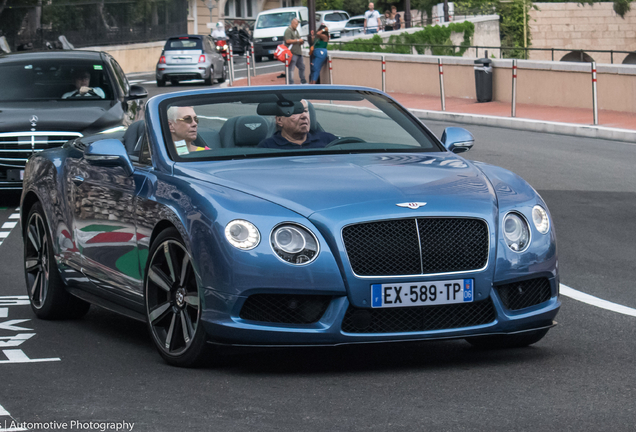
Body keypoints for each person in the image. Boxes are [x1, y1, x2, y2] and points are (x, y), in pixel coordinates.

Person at [258, 100, 336, 149]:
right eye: (296, 112)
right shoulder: (267, 147)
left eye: (305, 111)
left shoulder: (329, 141)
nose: (304, 116)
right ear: (279, 120)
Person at [284, 18, 306, 84]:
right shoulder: (288, 30)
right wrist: (298, 40)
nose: (297, 25)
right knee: (291, 69)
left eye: (297, 24)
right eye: (296, 24)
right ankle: (290, 83)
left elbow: (298, 39)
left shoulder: (296, 31)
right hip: (292, 52)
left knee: (302, 67)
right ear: (292, 23)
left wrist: (301, 41)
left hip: (298, 52)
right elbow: (287, 41)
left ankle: (303, 81)